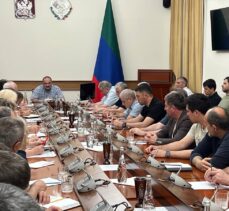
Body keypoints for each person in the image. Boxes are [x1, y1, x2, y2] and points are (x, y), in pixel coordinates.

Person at [145, 93, 210, 159]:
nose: (187, 114)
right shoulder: (195, 126)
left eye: (188, 111)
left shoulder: (211, 129)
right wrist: (157, 148)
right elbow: (181, 143)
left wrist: (166, 153)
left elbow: (197, 151)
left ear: (196, 113)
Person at [190, 107, 229, 172]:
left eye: (206, 124)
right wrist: (198, 162)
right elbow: (195, 152)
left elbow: (214, 165)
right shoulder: (212, 135)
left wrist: (202, 163)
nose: (205, 126)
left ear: (214, 128)